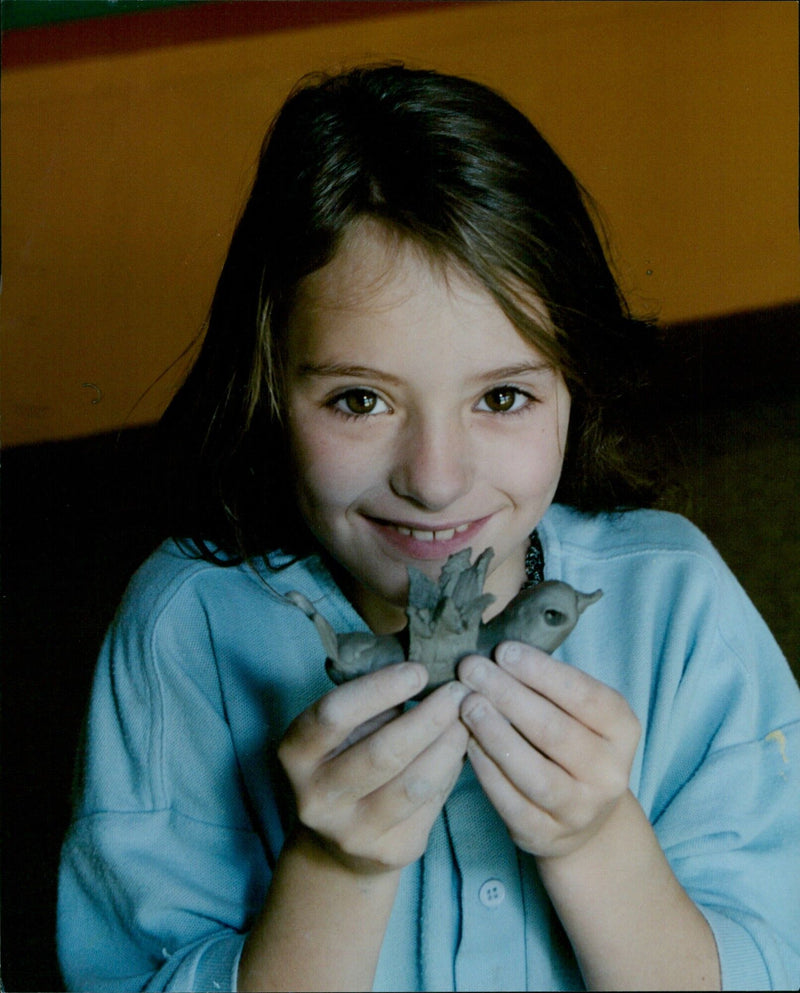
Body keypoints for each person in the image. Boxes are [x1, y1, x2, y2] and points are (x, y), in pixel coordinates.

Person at [57, 65, 800, 992]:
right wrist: (336, 869)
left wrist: (597, 839)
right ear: (268, 389)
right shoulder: (186, 632)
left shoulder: (681, 609)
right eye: (360, 399)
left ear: (575, 383)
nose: (436, 481)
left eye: (502, 395)